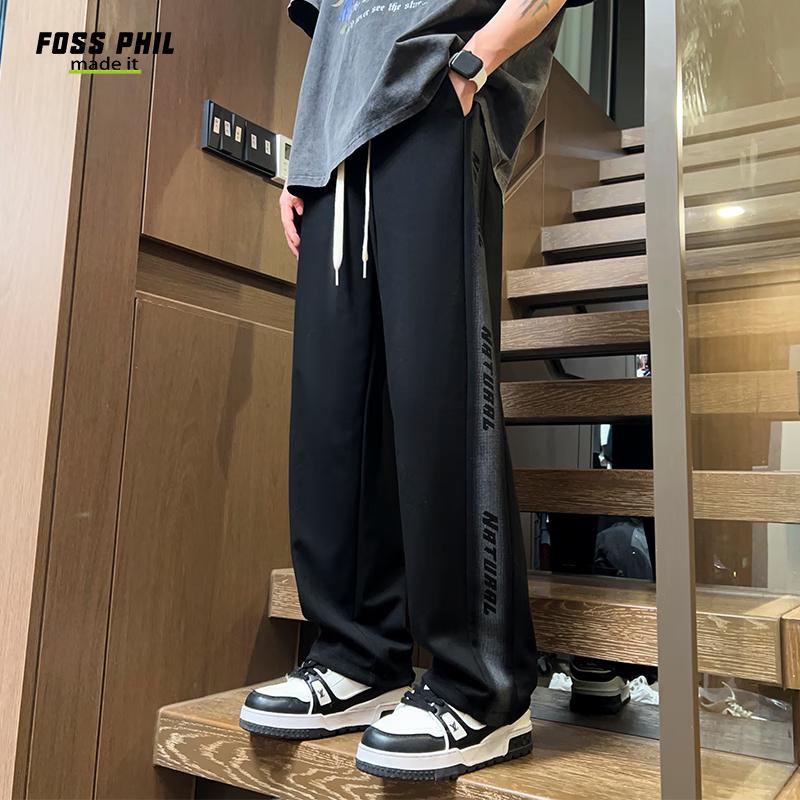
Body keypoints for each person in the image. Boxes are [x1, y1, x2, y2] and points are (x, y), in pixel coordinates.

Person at [239, 0, 593, 781]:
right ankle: (356, 655)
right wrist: (309, 149)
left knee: (440, 395)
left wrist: (477, 61)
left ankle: (483, 684)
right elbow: (338, 32)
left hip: (439, 96)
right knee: (334, 409)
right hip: (336, 153)